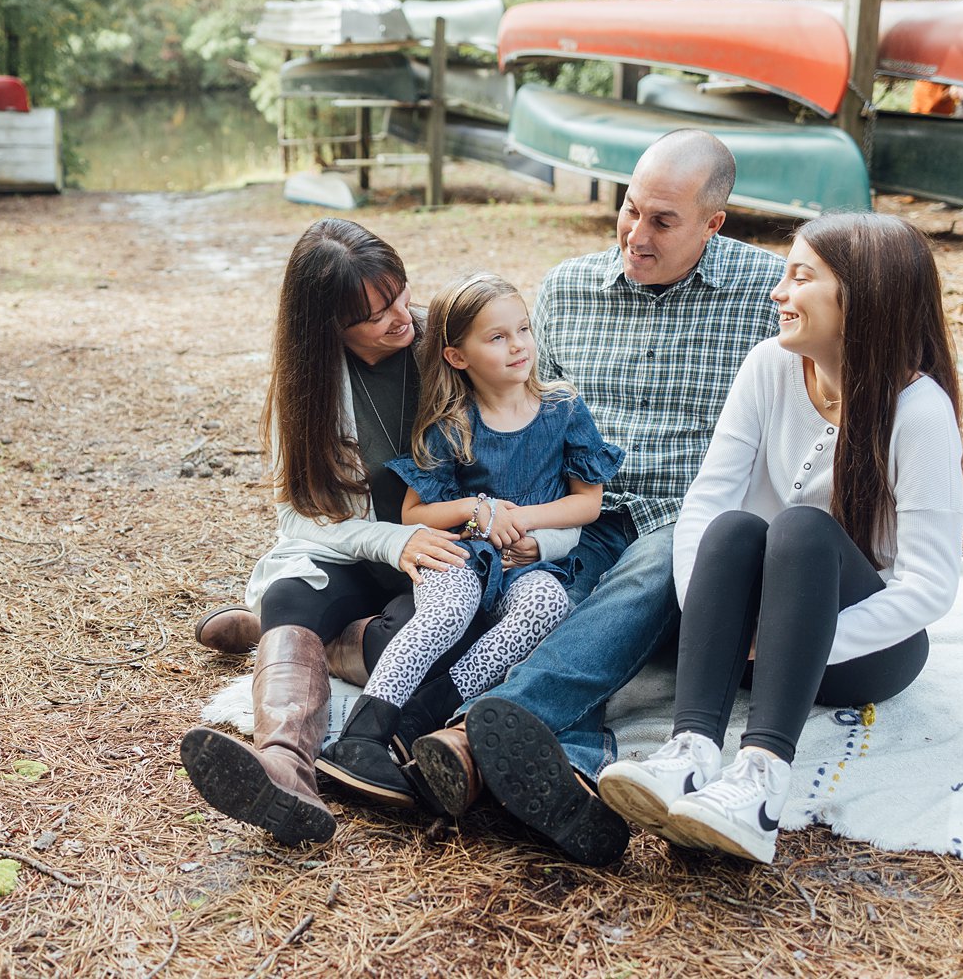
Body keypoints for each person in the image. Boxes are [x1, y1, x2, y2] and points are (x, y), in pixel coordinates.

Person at [409, 129, 786, 867]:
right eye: (629, 208)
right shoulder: (567, 289)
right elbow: (528, 412)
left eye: (663, 222)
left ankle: (480, 731)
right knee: (545, 595)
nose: (635, 235)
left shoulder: (768, 297)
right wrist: (512, 517)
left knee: (652, 570)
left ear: (715, 224)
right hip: (577, 510)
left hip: (691, 513)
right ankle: (571, 767)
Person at [596, 212, 963, 864]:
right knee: (736, 526)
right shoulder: (769, 367)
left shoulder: (919, 411)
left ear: (860, 297)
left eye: (800, 277)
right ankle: (690, 753)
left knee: (799, 529)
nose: (777, 292)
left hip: (863, 650)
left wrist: (792, 641)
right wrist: (713, 617)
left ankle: (760, 783)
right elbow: (706, 502)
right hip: (754, 647)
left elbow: (931, 586)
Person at [178, 218, 474, 845]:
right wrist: (391, 541)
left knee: (434, 640)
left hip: (437, 552)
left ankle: (273, 633)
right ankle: (285, 766)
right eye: (376, 315)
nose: (403, 318)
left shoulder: (447, 345)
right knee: (294, 589)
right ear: (328, 329)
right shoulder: (308, 382)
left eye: (400, 294)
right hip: (360, 549)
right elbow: (298, 515)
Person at [316, 272, 622, 807]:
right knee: (448, 607)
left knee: (547, 605)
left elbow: (587, 503)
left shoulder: (562, 409)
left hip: (528, 564)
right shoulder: (451, 424)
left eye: (523, 329)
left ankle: (419, 722)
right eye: (497, 337)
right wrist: (480, 510)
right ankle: (361, 736)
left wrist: (522, 521)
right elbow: (417, 511)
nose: (519, 345)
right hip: (464, 551)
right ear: (458, 357)